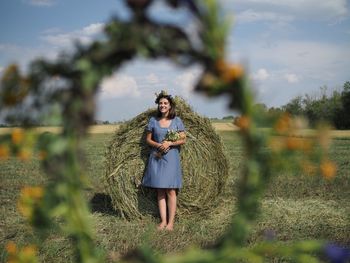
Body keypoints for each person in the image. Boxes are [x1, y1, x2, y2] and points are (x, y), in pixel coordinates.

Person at [142, 92, 186, 231]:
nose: (162, 105)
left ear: (170, 105)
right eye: (160, 103)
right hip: (157, 157)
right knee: (160, 190)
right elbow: (148, 139)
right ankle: (163, 221)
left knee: (171, 190)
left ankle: (171, 223)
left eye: (165, 103)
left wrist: (170, 144)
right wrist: (158, 145)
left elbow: (183, 139)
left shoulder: (177, 120)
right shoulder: (153, 121)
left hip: (171, 157)